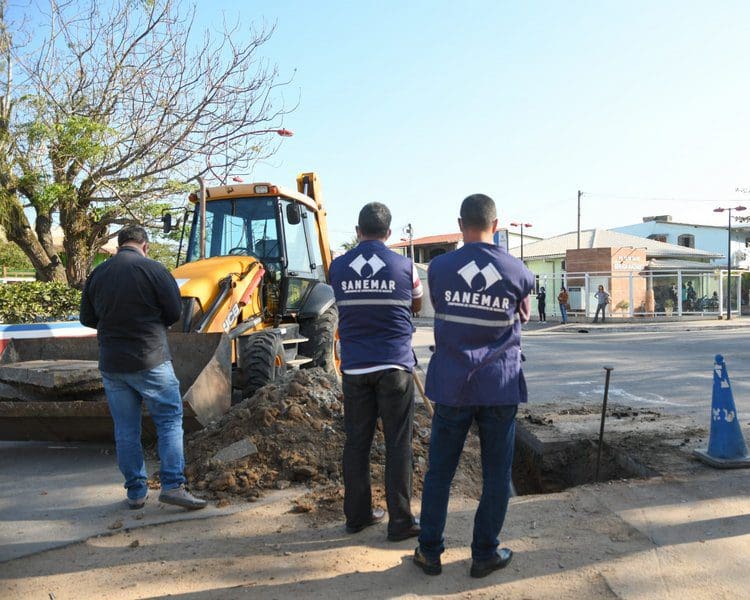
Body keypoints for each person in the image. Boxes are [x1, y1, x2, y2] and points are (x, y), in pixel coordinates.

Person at [414, 194, 534, 578]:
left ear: (460, 224)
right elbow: (524, 312)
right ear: (496, 225)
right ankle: (485, 553)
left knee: (439, 473)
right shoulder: (518, 270)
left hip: (453, 385)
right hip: (499, 386)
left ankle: (429, 551)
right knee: (496, 474)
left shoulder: (441, 267)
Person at [80, 226, 206, 511]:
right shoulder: (154, 270)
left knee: (126, 430)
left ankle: (136, 493)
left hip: (112, 364)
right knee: (170, 421)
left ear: (119, 244)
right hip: (151, 360)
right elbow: (174, 313)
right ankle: (173, 486)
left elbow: (87, 318)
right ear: (145, 245)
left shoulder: (98, 274)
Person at [329, 202, 422, 542]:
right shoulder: (404, 265)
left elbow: (340, 298)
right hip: (395, 366)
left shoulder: (337, 267)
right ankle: (400, 522)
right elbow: (416, 304)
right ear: (388, 233)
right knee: (398, 444)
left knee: (357, 443)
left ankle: (357, 516)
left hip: (354, 368)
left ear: (357, 231)